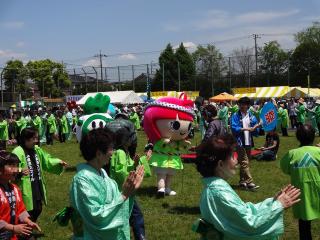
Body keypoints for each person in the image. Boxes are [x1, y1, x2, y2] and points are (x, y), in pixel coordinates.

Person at [194, 134, 301, 240]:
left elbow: (244, 210)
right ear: (220, 164)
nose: (236, 160)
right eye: (232, 156)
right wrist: (279, 205)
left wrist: (272, 202)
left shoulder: (213, 188)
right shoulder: (220, 193)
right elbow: (250, 224)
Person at [69, 128, 144, 240]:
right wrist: (123, 196)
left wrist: (130, 192)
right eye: (111, 149)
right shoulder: (82, 180)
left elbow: (116, 201)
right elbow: (96, 216)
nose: (113, 153)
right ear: (99, 153)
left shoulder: (102, 172)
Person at [12, 127, 67, 222]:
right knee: (27, 211)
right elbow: (10, 168)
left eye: (37, 138)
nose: (36, 141)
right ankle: (25, 232)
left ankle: (28, 229)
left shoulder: (37, 150)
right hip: (25, 187)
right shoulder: (17, 151)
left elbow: (47, 160)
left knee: (38, 209)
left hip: (37, 184)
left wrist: (58, 162)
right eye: (34, 138)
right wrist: (19, 171)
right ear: (26, 139)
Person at [280, 124, 320, 240]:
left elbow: (285, 168)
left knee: (304, 223)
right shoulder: (318, 152)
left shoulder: (292, 154)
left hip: (301, 193)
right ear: (314, 136)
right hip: (317, 191)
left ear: (298, 137)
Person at [0, 151, 41, 240]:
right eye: (11, 166)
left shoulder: (15, 189)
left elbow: (20, 210)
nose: (16, 170)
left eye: (16, 166)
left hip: (13, 235)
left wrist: (28, 221)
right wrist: (13, 228)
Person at [231, 97, 261, 190]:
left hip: (248, 141)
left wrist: (256, 127)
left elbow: (255, 131)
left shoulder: (251, 116)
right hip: (239, 142)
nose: (241, 106)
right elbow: (233, 128)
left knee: (245, 162)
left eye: (243, 104)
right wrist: (246, 129)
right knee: (244, 162)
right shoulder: (235, 115)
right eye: (240, 104)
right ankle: (250, 182)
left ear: (248, 105)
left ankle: (242, 181)